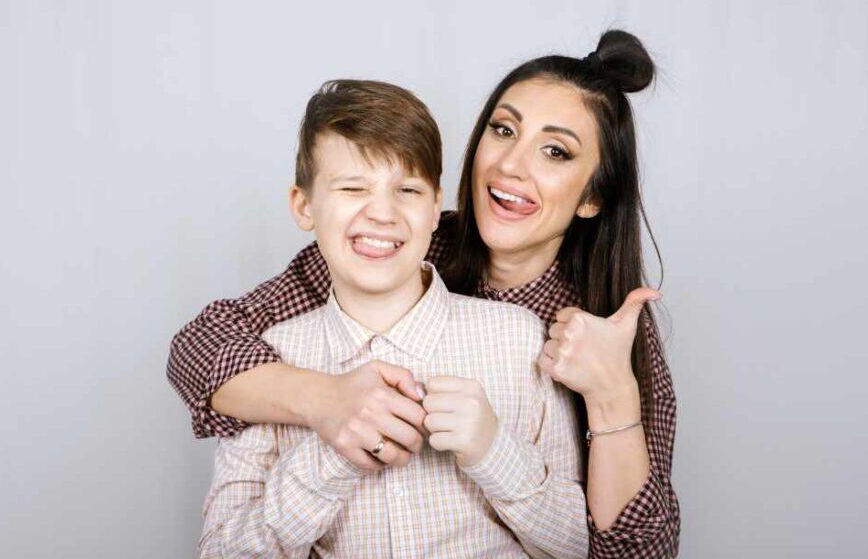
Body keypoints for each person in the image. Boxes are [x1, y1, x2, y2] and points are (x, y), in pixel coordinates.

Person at [170, 29, 681, 558]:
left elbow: (629, 552)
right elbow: (202, 347)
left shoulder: (598, 331)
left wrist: (610, 394)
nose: (511, 165)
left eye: (555, 151)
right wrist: (331, 404)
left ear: (593, 196)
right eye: (503, 130)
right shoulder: (396, 245)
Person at [199, 79, 587, 558]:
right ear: (304, 206)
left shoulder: (518, 338)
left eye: (407, 189)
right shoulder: (269, 362)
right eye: (352, 187)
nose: (382, 213)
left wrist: (495, 451)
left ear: (434, 209)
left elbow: (576, 547)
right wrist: (328, 459)